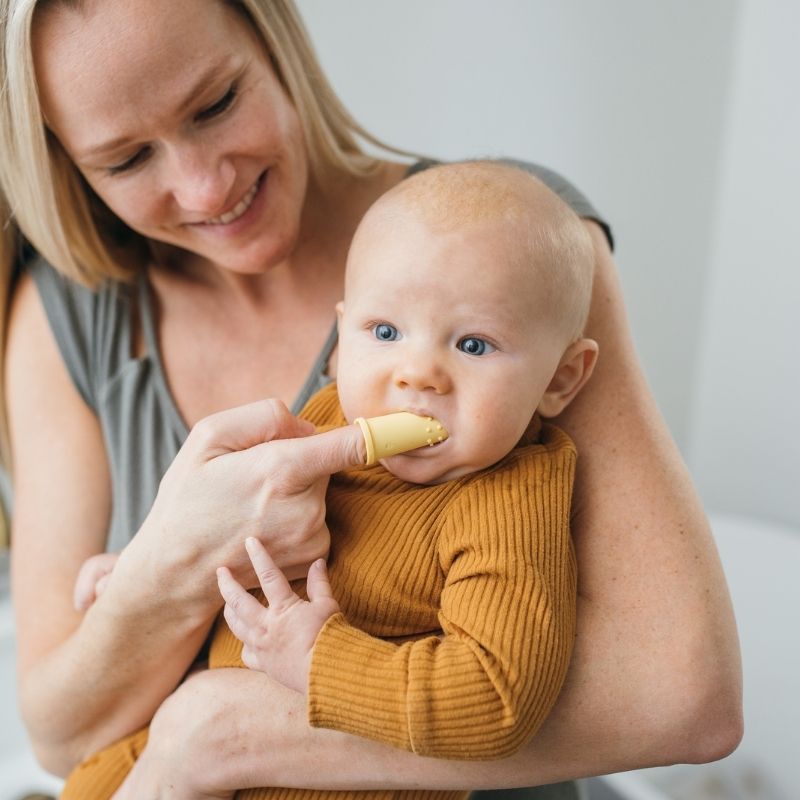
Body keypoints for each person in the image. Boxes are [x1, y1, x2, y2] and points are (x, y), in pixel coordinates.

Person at [0, 0, 742, 798]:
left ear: (274, 38)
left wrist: (222, 734)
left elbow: (686, 697)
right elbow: (58, 735)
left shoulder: (514, 246)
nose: (204, 185)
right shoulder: (69, 311)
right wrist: (157, 572)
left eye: (216, 103)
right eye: (125, 159)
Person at [63, 162, 600, 799]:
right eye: (385, 332)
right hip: (169, 749)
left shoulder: (508, 499)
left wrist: (321, 658)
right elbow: (233, 536)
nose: (417, 373)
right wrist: (138, 569)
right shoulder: (322, 425)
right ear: (341, 345)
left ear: (561, 379)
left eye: (474, 345)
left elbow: (497, 699)